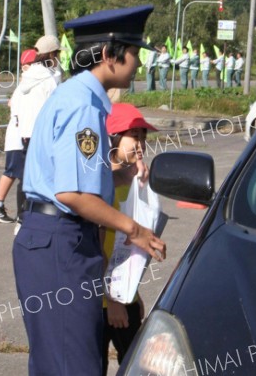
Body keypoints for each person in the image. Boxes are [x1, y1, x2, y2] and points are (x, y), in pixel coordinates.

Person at [13, 5, 166, 376]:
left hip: (57, 241)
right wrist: (136, 231)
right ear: (109, 55)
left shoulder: (77, 97)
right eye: (134, 53)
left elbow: (75, 179)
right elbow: (72, 194)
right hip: (60, 243)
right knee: (72, 365)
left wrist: (123, 177)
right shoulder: (83, 106)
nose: (138, 64)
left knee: (60, 362)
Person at [101, 103, 157, 376]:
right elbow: (96, 247)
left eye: (143, 137)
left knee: (135, 363)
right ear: (113, 138)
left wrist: (133, 295)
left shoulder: (134, 183)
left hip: (124, 296)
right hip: (101, 301)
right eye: (134, 136)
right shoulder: (100, 186)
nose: (140, 143)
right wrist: (111, 301)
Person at [0, 49, 37, 224]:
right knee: (15, 172)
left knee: (17, 173)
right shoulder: (27, 84)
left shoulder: (25, 83)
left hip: (18, 132)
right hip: (19, 134)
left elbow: (10, 103)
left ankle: (0, 205)